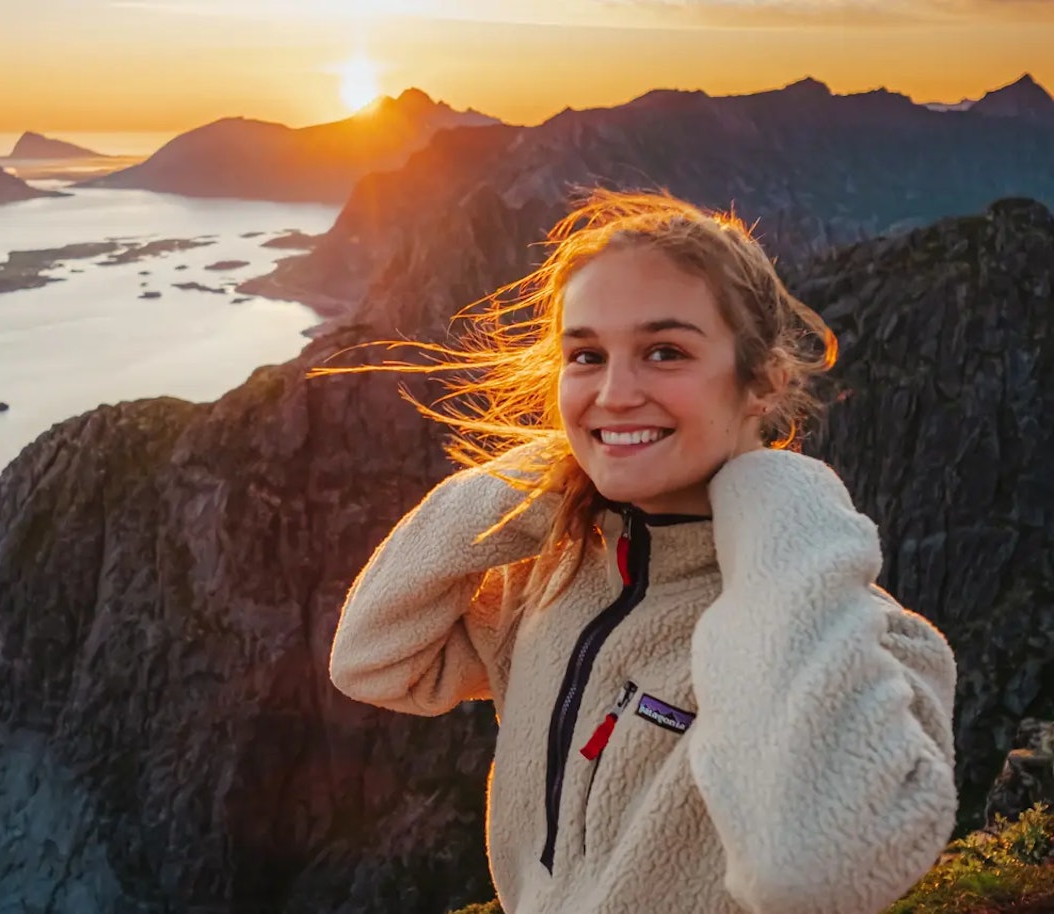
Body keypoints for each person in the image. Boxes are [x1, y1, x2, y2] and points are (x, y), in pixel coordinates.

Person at [325, 190, 958, 914]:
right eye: (586, 355)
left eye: (665, 352)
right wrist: (530, 480)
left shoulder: (880, 650)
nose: (615, 392)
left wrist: (780, 495)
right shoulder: (553, 582)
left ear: (764, 382)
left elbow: (811, 869)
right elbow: (372, 660)